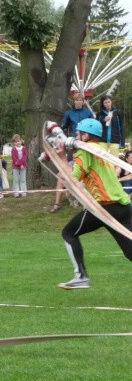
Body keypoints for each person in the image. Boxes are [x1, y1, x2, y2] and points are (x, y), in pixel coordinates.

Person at [56, 118, 132, 289]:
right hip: (123, 207)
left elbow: (72, 178)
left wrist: (61, 157)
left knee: (69, 233)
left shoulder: (85, 151)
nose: (76, 135)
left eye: (79, 133)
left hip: (104, 206)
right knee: (130, 251)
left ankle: (81, 276)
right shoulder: (100, 149)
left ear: (86, 135)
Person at [52, 93, 95, 212]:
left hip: (86, 143)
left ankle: (86, 199)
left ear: (83, 102)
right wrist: (65, 140)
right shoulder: (68, 114)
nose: (79, 102)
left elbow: (93, 126)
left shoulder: (88, 113)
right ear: (74, 102)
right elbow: (63, 127)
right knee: (71, 167)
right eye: (77, 100)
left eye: (81, 100)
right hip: (73, 143)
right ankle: (60, 201)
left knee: (85, 169)